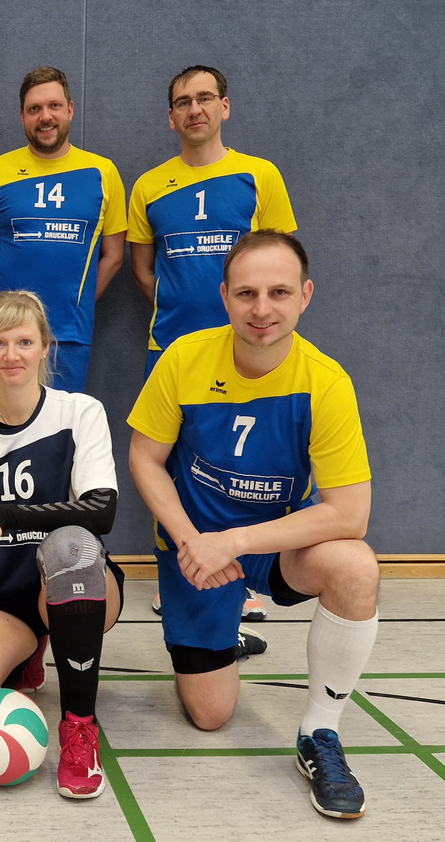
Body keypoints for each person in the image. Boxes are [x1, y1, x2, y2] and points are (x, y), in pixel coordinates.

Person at [127, 231, 378, 819]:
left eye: (278, 292)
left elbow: (350, 514)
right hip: (194, 551)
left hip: (272, 545)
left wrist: (236, 543)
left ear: (305, 296)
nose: (262, 309)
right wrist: (194, 542)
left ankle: (320, 732)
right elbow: (144, 457)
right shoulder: (184, 358)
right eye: (246, 293)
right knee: (210, 717)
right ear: (224, 296)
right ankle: (224, 634)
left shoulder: (326, 382)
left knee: (355, 565)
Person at [0, 291, 124, 800]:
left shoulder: (80, 412)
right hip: (3, 603)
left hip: (74, 584)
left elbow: (101, 511)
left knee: (70, 546)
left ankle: (79, 730)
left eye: (25, 342)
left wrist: (5, 515)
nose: (12, 354)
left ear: (45, 346)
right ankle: (28, 649)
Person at [128, 64, 297, 623]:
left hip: (250, 351)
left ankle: (242, 579)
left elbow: (281, 263)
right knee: (173, 469)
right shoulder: (149, 186)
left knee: (240, 466)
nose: (194, 109)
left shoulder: (260, 175)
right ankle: (178, 577)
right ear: (170, 116)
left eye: (205, 98)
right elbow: (145, 270)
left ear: (225, 106)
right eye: (183, 102)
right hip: (171, 350)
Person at [0, 67, 127, 393]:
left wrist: (78, 303)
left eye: (54, 106)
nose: (45, 117)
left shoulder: (103, 173)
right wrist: (3, 313)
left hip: (70, 334)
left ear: (70, 109)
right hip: (7, 337)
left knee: (63, 421)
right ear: (22, 116)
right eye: (34, 109)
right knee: (9, 419)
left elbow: (113, 256)